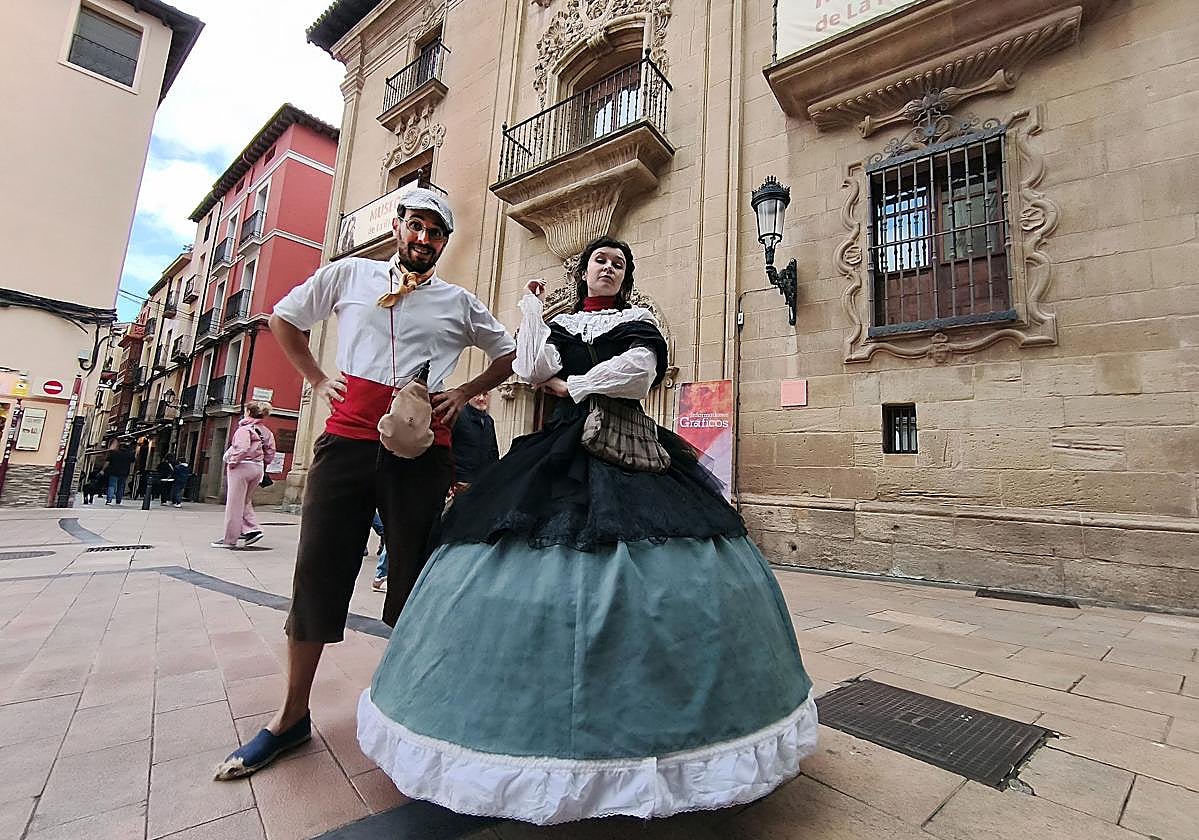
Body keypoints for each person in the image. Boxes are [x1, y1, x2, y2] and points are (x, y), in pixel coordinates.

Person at [356, 237, 817, 824]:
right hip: (561, 446)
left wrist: (570, 386)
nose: (609, 267)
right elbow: (530, 367)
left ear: (626, 278)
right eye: (601, 260)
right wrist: (529, 312)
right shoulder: (561, 321)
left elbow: (636, 375)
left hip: (624, 443)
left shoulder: (640, 319)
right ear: (586, 271)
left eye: (619, 263)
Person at [213, 188, 517, 781]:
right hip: (346, 443)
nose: (424, 239)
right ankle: (291, 717)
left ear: (444, 244)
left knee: (413, 576)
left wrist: (461, 391)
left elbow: (510, 351)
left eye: (436, 232)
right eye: (417, 225)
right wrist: (319, 378)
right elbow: (284, 318)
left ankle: (411, 709)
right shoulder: (349, 274)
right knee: (318, 572)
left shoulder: (458, 301)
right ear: (399, 226)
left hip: (422, 453)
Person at [210, 403, 275, 549]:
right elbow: (270, 453)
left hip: (242, 467)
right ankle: (250, 530)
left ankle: (230, 539)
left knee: (234, 504)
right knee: (244, 501)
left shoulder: (244, 429)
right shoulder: (266, 432)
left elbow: (242, 447)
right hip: (258, 469)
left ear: (248, 412)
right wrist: (262, 464)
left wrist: (232, 462)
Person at [450, 389, 498, 496]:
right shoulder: (458, 416)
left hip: (483, 484)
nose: (481, 398)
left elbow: (493, 453)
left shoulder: (489, 421)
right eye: (477, 394)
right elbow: (446, 448)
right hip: (460, 483)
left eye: (485, 394)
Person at [104, 440, 133, 505]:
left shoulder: (114, 453)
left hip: (113, 472)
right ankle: (118, 500)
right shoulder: (129, 455)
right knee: (121, 487)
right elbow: (133, 461)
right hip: (124, 473)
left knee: (112, 486)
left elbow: (107, 462)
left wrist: (103, 470)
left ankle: (109, 500)